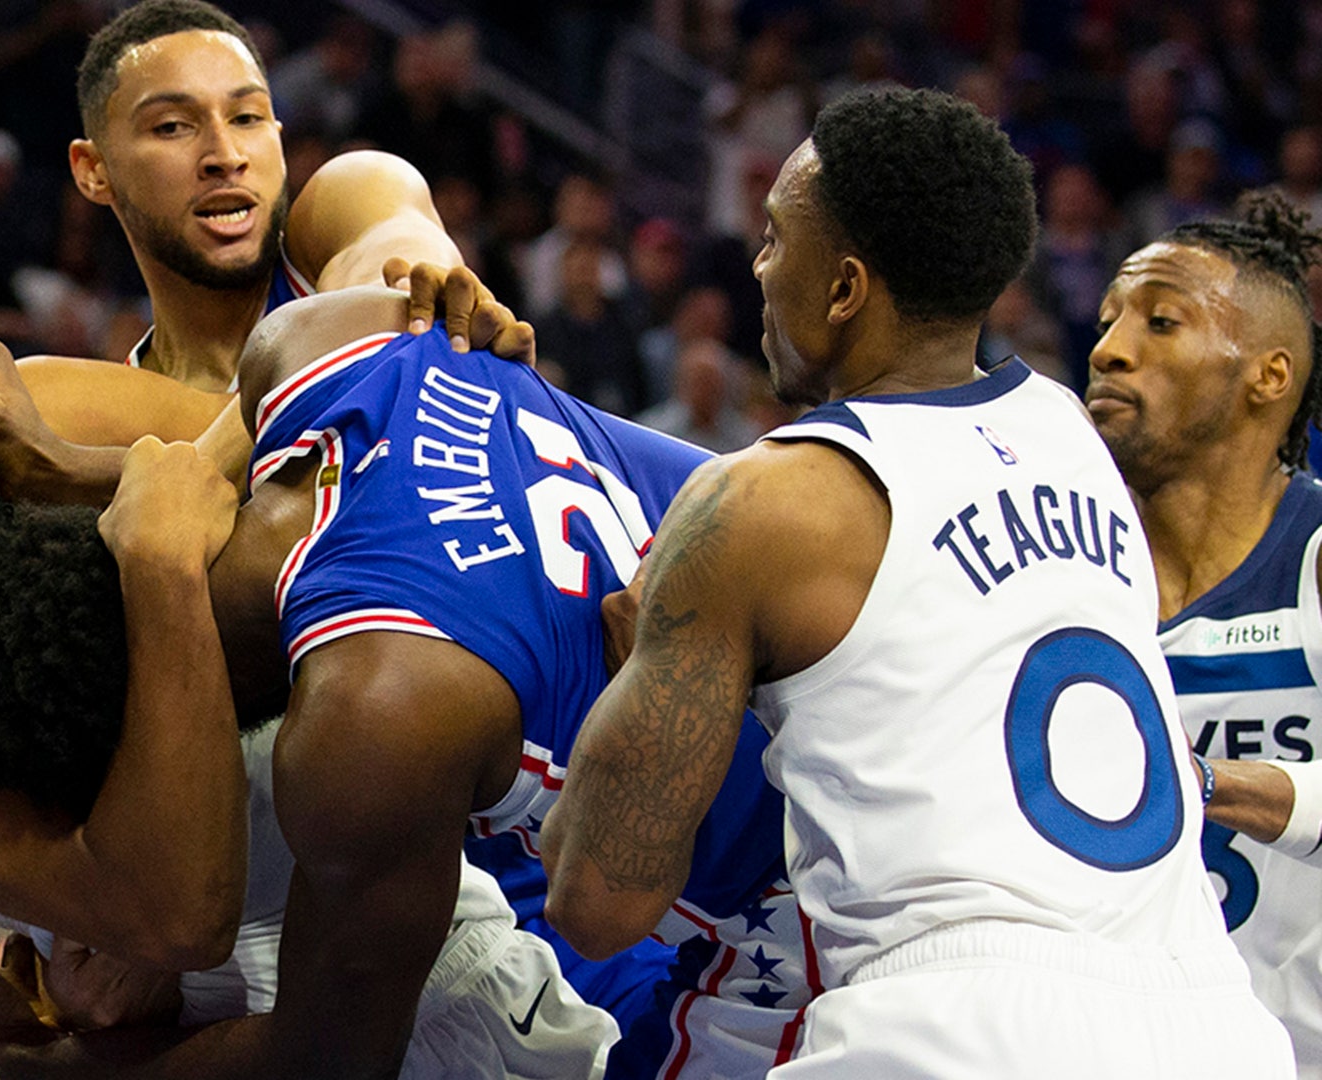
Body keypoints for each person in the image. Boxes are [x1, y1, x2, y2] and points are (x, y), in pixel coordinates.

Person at [0, 266, 619, 1078]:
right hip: (224, 1036)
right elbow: (176, 921)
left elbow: (318, 430)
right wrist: (160, 572)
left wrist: (449, 329)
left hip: (433, 964)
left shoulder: (38, 409)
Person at [541, 87, 1295, 1076]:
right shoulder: (1070, 430)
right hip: (1220, 1024)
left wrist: (637, 679)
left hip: (957, 1030)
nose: (760, 268)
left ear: (844, 288)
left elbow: (598, 902)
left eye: (775, 240)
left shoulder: (760, 502)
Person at [0, 284, 796, 1078]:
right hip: (829, 630)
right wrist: (67, 469)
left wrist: (49, 1069)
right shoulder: (322, 340)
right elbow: (209, 486)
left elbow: (330, 1059)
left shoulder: (370, 714)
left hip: (803, 899)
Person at [1089, 190, 1322, 1075]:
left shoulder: (1312, 556)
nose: (1110, 349)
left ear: (1270, 376)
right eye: (1109, 320)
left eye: (1161, 322)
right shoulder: (1060, 575)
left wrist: (1207, 782)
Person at [52, 0, 529, 397]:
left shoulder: (353, 190)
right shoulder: (119, 413)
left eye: (247, 118)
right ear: (94, 171)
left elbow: (393, 274)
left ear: (278, 138)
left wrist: (418, 291)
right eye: (173, 126)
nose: (227, 156)